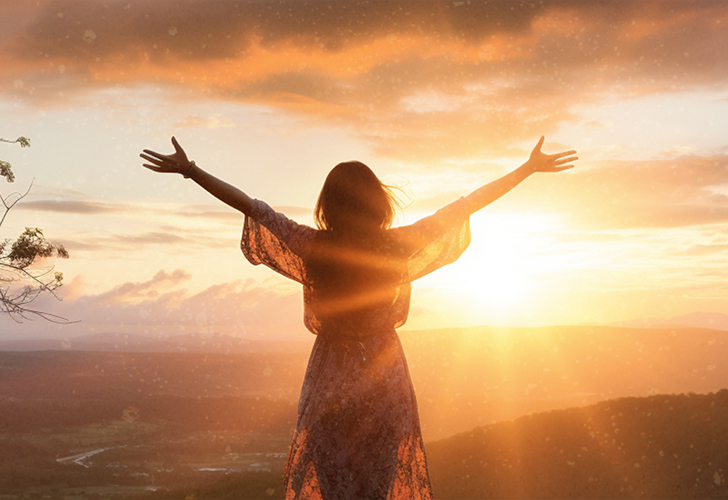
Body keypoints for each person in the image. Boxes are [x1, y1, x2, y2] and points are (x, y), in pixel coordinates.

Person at [140, 137, 577, 500]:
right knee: (379, 485)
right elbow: (464, 206)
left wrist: (192, 170)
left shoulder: (313, 246)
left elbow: (252, 207)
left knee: (334, 483)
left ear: (328, 203)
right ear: (377, 203)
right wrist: (526, 169)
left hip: (330, 377)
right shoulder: (396, 246)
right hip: (385, 378)